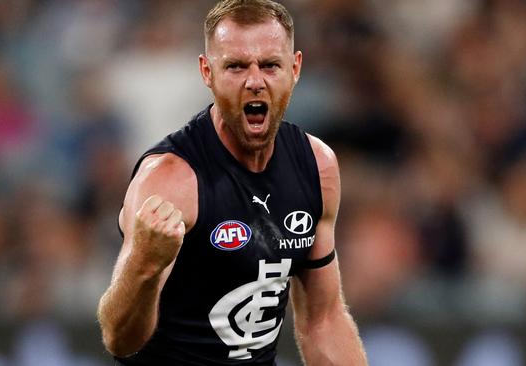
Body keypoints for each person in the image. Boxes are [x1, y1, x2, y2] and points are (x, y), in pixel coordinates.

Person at [97, 1, 368, 365]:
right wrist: (142, 266)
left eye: (270, 65)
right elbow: (119, 339)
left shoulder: (317, 166)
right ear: (207, 72)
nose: (255, 81)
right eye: (236, 66)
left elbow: (323, 319)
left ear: (295, 68)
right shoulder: (171, 180)